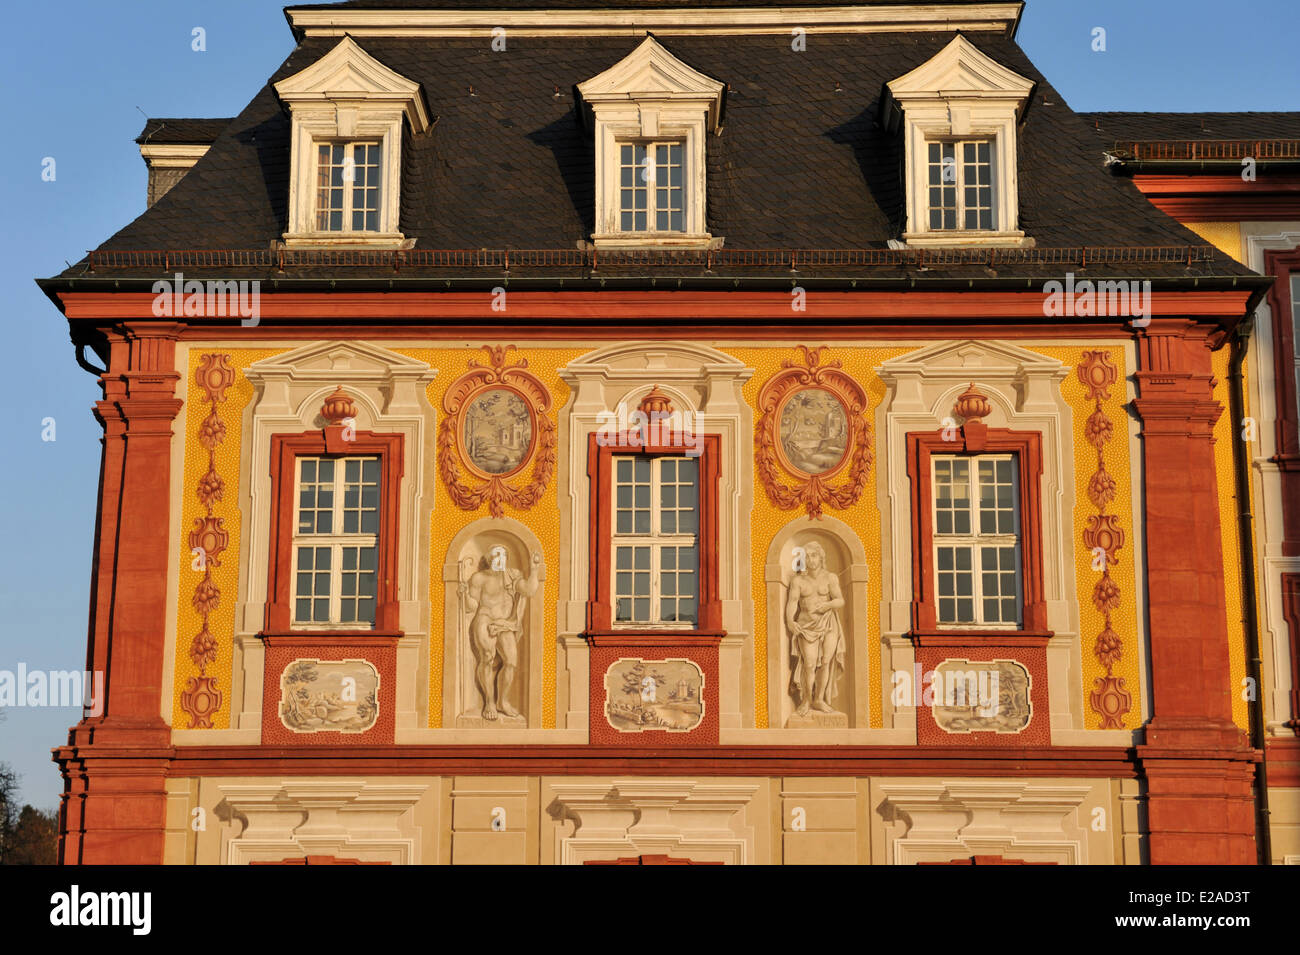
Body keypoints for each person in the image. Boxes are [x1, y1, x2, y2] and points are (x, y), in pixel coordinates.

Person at [463, 546, 542, 720]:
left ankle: (503, 702)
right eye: (497, 555)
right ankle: (489, 702)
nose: (501, 558)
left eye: (504, 555)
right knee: (487, 657)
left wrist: (535, 569)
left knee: (511, 662)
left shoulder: (512, 575)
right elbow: (473, 606)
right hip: (484, 619)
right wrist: (465, 596)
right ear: (489, 558)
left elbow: (529, 590)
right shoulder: (479, 578)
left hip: (504, 624)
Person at [785, 540, 846, 716]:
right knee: (809, 664)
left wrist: (828, 606)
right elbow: (792, 603)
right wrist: (790, 622)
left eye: (814, 555)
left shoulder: (830, 577)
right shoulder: (798, 581)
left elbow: (840, 600)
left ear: (820, 557)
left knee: (826, 662)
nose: (811, 560)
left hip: (828, 623)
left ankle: (819, 699)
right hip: (806, 626)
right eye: (807, 556)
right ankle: (806, 701)